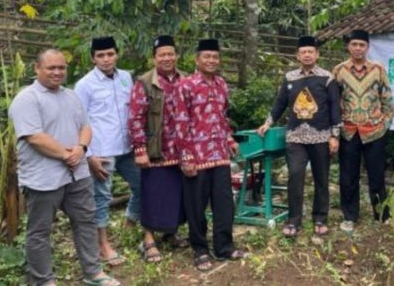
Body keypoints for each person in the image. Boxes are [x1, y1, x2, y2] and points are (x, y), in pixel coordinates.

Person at [9, 48, 119, 286]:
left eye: (61, 68)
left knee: (86, 221)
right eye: (51, 68)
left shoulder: (71, 96)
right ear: (37, 69)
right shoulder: (27, 99)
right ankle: (43, 280)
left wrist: (80, 148)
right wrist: (66, 154)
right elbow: (34, 137)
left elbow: (86, 127)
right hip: (43, 177)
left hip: (77, 174)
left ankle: (93, 273)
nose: (57, 72)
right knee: (40, 231)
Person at [257, 35, 341, 238]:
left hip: (321, 137)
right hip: (295, 137)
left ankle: (320, 218)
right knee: (295, 177)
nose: (307, 55)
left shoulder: (327, 78)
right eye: (303, 52)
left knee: (321, 179)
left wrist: (334, 135)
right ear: (297, 55)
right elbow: (279, 104)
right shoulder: (290, 78)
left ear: (317, 54)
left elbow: (335, 109)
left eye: (310, 51)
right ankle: (294, 220)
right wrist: (267, 123)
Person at [178, 38, 247, 271]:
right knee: (196, 206)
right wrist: (186, 157)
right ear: (197, 59)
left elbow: (222, 117)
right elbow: (180, 123)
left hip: (219, 154)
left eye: (215, 57)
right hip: (196, 156)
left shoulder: (221, 84)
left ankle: (224, 247)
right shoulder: (185, 85)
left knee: (224, 203)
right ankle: (200, 250)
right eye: (206, 57)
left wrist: (229, 139)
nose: (211, 61)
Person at [74, 36, 140, 267]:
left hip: (127, 147)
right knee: (101, 197)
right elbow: (79, 121)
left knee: (143, 185)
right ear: (93, 58)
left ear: (117, 54)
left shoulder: (125, 77)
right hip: (102, 150)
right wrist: (89, 154)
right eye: (100, 55)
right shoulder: (85, 84)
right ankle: (103, 245)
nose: (105, 59)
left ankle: (129, 225)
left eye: (110, 54)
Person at [128, 35, 188, 263]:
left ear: (177, 55)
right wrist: (140, 148)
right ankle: (149, 239)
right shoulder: (144, 83)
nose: (167, 58)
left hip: (180, 150)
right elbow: (135, 117)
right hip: (157, 148)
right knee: (154, 192)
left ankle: (171, 232)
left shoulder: (186, 79)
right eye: (162, 54)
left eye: (170, 53)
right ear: (154, 58)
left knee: (177, 192)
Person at [332, 29, 394, 234]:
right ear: (348, 46)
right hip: (348, 130)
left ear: (367, 47)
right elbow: (334, 101)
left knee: (376, 174)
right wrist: (335, 128)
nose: (358, 48)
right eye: (354, 44)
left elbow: (387, 98)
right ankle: (350, 216)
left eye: (362, 45)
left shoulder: (378, 69)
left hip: (375, 131)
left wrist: (385, 124)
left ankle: (381, 215)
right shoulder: (339, 71)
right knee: (348, 175)